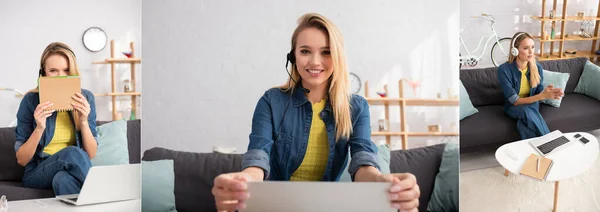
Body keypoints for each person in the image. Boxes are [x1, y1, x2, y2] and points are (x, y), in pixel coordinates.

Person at [212, 13, 420, 212]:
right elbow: (258, 157)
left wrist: (382, 181)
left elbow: (362, 161)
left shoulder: (356, 107)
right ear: (292, 56)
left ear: (337, 56)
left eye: (326, 52)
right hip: (276, 206)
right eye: (305, 51)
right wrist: (244, 180)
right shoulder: (271, 101)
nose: (314, 61)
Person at [14, 42, 98, 195]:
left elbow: (91, 154)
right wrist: (39, 128)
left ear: (73, 72)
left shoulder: (86, 98)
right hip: (37, 171)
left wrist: (83, 121)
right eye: (53, 70)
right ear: (43, 73)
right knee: (71, 152)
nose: (61, 76)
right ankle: (101, 197)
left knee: (62, 180)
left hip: (70, 167)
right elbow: (22, 160)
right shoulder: (30, 101)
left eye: (66, 70)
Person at [497, 32, 563, 139]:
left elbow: (539, 92)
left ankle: (534, 152)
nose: (531, 51)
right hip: (513, 107)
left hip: (532, 105)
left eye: (532, 47)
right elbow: (515, 101)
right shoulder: (503, 70)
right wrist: (542, 96)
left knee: (524, 125)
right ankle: (550, 140)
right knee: (525, 111)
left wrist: (548, 93)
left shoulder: (537, 68)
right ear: (515, 50)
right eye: (526, 48)